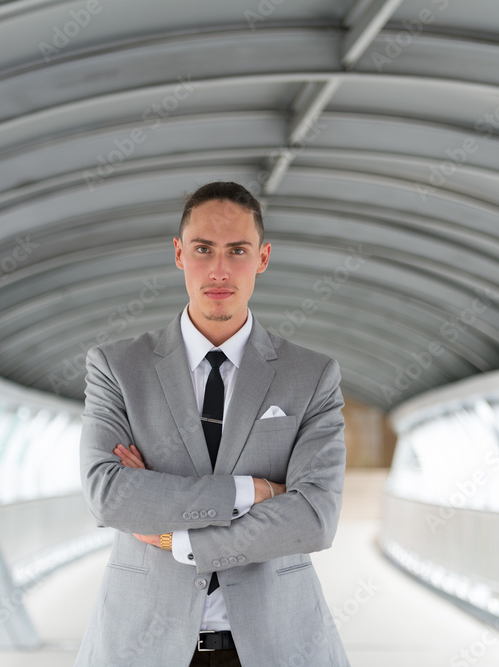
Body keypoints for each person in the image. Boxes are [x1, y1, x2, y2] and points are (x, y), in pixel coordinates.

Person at [76, 181, 349, 666]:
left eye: (237, 251)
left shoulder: (311, 376)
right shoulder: (118, 368)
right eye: (203, 249)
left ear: (262, 258)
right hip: (142, 646)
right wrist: (256, 491)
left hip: (276, 645)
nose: (219, 270)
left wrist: (178, 539)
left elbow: (313, 518)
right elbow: (109, 495)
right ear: (179, 253)